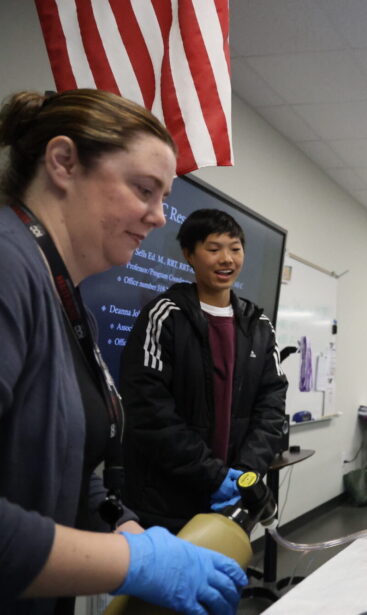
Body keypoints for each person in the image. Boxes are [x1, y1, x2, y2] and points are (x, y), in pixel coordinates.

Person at [0, 89, 247, 615]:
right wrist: (129, 563)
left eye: (164, 199)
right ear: (63, 162)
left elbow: (68, 466)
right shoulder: (7, 266)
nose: (159, 217)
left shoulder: (71, 307)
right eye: (144, 190)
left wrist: (123, 526)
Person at [120, 208, 287, 532]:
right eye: (214, 249)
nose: (227, 259)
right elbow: (148, 410)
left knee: (220, 580)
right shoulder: (164, 316)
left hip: (233, 499)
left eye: (235, 249)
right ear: (189, 255)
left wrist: (245, 473)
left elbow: (272, 405)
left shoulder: (259, 326)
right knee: (167, 580)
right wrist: (213, 475)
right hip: (165, 502)